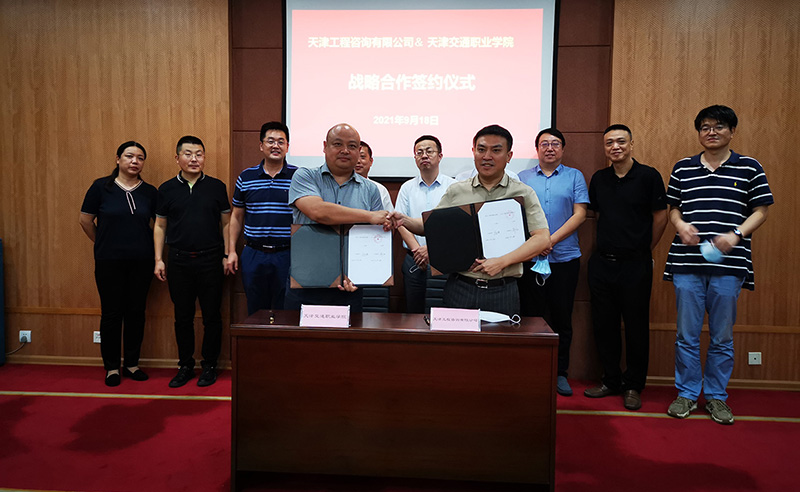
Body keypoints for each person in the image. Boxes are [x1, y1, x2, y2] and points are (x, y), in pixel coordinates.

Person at [664, 105, 773, 425]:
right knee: (686, 334)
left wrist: (736, 234)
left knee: (722, 336)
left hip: (730, 265)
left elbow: (761, 210)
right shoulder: (683, 168)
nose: (711, 132)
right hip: (687, 262)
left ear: (732, 131)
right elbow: (673, 208)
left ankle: (715, 396)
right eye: (705, 127)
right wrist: (680, 225)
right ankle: (686, 394)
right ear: (699, 132)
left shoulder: (750, 167)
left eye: (719, 126)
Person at [391, 125, 550, 316]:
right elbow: (431, 227)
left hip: (503, 289)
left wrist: (502, 262)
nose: (487, 156)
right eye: (481, 149)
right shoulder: (457, 190)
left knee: (500, 336)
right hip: (460, 287)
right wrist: (404, 220)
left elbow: (542, 238)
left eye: (496, 150)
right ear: (473, 152)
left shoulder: (523, 192)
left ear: (509, 156)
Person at [584, 124, 667, 410]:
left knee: (635, 326)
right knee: (604, 325)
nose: (615, 147)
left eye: (621, 141)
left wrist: (644, 249)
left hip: (636, 264)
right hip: (602, 263)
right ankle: (610, 379)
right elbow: (598, 216)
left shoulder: (649, 176)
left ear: (631, 144)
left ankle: (633, 385)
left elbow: (660, 217)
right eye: (609, 143)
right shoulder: (600, 178)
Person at [284, 123, 389, 311]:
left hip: (350, 286)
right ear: (325, 146)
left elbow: (376, 237)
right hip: (306, 281)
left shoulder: (371, 189)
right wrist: (369, 216)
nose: (345, 151)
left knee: (349, 332)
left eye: (352, 146)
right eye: (338, 144)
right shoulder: (305, 176)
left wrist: (362, 275)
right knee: (300, 331)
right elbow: (319, 212)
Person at [154, 136, 231, 388]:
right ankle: (185, 365)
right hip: (179, 260)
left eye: (199, 154)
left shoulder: (216, 187)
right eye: (188, 154)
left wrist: (228, 253)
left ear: (204, 157)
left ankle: (210, 365)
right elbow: (160, 226)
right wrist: (158, 259)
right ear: (177, 158)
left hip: (211, 259)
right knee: (183, 317)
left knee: (212, 316)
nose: (194, 159)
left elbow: (227, 223)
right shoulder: (166, 189)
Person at [518, 128, 589, 396]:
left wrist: (550, 240)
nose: (550, 148)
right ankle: (532, 371)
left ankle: (560, 373)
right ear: (537, 149)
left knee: (562, 319)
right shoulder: (522, 178)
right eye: (544, 144)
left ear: (563, 149)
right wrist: (536, 244)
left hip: (564, 259)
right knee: (530, 317)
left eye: (555, 144)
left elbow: (580, 214)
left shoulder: (574, 176)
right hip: (529, 259)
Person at [80, 141, 157, 387]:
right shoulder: (100, 187)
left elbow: (158, 226)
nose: (135, 161)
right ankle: (112, 367)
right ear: (118, 159)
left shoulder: (150, 192)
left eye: (140, 158)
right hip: (109, 262)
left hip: (141, 262)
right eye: (129, 156)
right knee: (111, 314)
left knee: (136, 313)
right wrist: (103, 242)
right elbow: (85, 220)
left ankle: (132, 364)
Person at [226, 122, 297, 315]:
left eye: (281, 142)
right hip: (254, 253)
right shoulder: (246, 177)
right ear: (261, 145)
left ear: (287, 147)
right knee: (256, 310)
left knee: (286, 311)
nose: (276, 146)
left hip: (288, 254)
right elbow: (236, 216)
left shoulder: (299, 177)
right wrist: (231, 251)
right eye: (270, 141)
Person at [395, 135, 457, 313]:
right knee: (414, 311)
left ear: (440, 156)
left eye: (429, 151)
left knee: (443, 311)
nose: (424, 155)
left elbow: (455, 226)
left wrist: (431, 250)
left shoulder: (453, 187)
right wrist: (418, 252)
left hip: (445, 258)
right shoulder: (407, 188)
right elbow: (400, 222)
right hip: (413, 259)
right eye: (419, 152)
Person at [356, 140, 394, 210]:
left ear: (371, 161)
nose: (358, 161)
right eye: (355, 157)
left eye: (362, 157)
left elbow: (388, 215)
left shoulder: (380, 189)